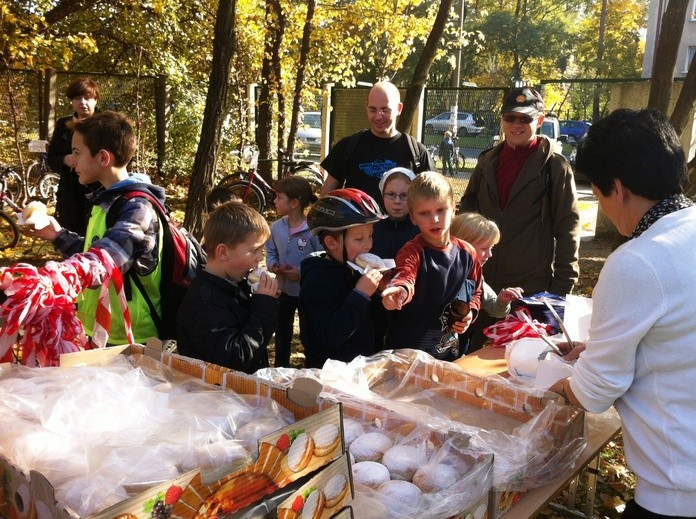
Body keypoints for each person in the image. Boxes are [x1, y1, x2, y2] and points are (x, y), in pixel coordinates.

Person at [549, 108, 696, 519]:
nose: (605, 210)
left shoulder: (638, 261)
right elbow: (674, 340)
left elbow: (595, 393)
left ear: (617, 188)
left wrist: (558, 386)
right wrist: (598, 351)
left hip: (677, 492)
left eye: (598, 196)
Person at [458, 86, 580, 350]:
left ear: (540, 120)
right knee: (477, 360)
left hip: (531, 289)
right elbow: (467, 213)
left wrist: (560, 288)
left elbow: (568, 227)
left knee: (521, 367)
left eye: (525, 118)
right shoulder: (487, 161)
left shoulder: (555, 167)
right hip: (484, 283)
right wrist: (461, 267)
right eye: (510, 117)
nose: (516, 125)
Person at [33, 111, 166, 345]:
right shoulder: (105, 200)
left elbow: (105, 261)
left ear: (103, 158)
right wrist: (58, 235)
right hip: (100, 331)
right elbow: (92, 251)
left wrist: (50, 280)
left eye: (77, 153)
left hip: (131, 340)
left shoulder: (137, 208)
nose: (72, 161)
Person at [382, 171, 482, 361]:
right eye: (424, 213)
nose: (434, 219)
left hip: (450, 356)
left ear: (454, 209)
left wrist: (470, 312)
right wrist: (400, 290)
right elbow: (405, 275)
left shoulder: (468, 253)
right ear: (413, 217)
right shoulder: (412, 251)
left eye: (441, 210)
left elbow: (475, 290)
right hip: (408, 357)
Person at [177, 202, 279, 374]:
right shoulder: (204, 301)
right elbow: (234, 359)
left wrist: (265, 299)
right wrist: (263, 308)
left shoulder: (235, 285)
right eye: (254, 250)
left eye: (262, 250)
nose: (259, 258)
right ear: (223, 252)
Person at [299, 188, 385, 368]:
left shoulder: (353, 269)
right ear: (331, 243)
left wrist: (382, 293)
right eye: (359, 239)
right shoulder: (316, 280)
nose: (368, 245)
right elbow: (330, 336)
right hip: (329, 380)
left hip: (361, 373)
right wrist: (361, 294)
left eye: (370, 236)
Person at [320, 81, 435, 205]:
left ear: (399, 109)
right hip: (357, 224)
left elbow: (434, 197)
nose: (378, 116)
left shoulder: (416, 152)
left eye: (385, 110)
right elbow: (326, 198)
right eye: (373, 110)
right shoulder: (347, 147)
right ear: (366, 107)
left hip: (404, 225)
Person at [266, 176, 322, 368]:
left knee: (307, 335)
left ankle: (310, 370)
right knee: (282, 334)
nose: (275, 201)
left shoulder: (313, 230)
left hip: (306, 293)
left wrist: (301, 272)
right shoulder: (277, 227)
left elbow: (320, 257)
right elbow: (271, 251)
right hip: (283, 291)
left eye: (279, 197)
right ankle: (280, 369)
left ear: (294, 203)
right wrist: (273, 265)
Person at [450, 212, 523, 355]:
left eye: (491, 248)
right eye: (484, 249)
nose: (489, 255)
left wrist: (502, 301)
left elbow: (495, 309)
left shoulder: (477, 277)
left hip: (456, 349)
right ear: (463, 244)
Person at [47, 77, 101, 236]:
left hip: (99, 189)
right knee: (71, 236)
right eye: (78, 98)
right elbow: (52, 158)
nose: (83, 102)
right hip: (70, 193)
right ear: (72, 101)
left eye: (88, 98)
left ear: (95, 100)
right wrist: (66, 159)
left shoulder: (106, 123)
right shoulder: (63, 125)